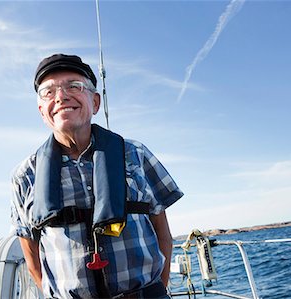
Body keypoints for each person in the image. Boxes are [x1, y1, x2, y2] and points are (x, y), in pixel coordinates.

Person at [10, 53, 183, 299]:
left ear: (95, 102)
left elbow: (163, 234)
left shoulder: (135, 154)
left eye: (73, 86)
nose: (61, 96)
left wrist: (158, 290)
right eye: (49, 92)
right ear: (41, 110)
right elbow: (32, 257)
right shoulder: (25, 176)